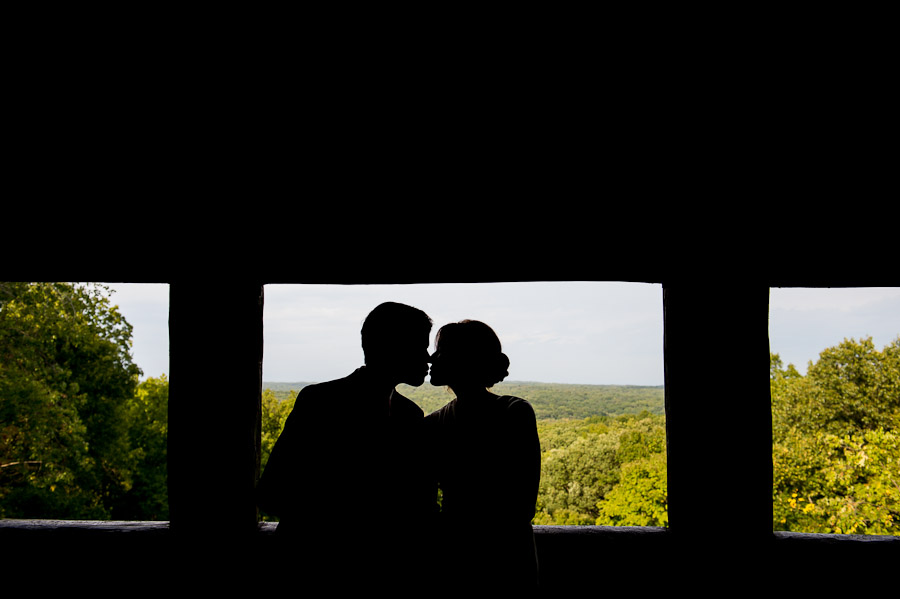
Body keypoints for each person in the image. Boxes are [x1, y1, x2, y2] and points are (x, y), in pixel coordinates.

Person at [256, 301, 438, 585]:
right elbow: (272, 492)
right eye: (420, 346)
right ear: (393, 346)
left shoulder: (408, 415)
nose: (428, 358)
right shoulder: (321, 403)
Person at [425, 319, 541, 590]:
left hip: (464, 559)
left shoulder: (433, 424)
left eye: (440, 350)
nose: (432, 357)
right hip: (508, 556)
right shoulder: (514, 412)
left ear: (464, 358)